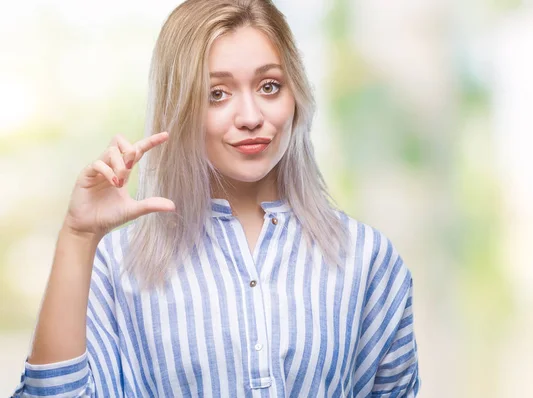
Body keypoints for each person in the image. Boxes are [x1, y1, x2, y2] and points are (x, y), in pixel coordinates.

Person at [12, 0, 420, 397]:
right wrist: (78, 235)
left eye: (269, 86)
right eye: (217, 94)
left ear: (296, 97)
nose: (250, 116)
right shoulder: (117, 265)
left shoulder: (366, 259)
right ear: (179, 106)